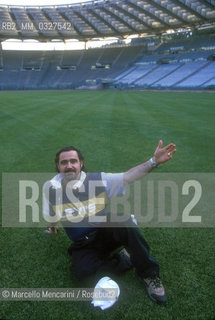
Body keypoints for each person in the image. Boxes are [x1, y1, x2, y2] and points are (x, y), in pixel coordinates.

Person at [43, 140, 176, 305]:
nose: (69, 165)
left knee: (124, 221)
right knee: (83, 274)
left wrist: (153, 161)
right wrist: (53, 228)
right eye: (64, 162)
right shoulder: (50, 189)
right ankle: (124, 258)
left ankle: (149, 274)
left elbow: (128, 176)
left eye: (73, 161)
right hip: (82, 244)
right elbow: (51, 212)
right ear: (58, 166)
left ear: (81, 163)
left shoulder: (98, 180)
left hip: (105, 232)